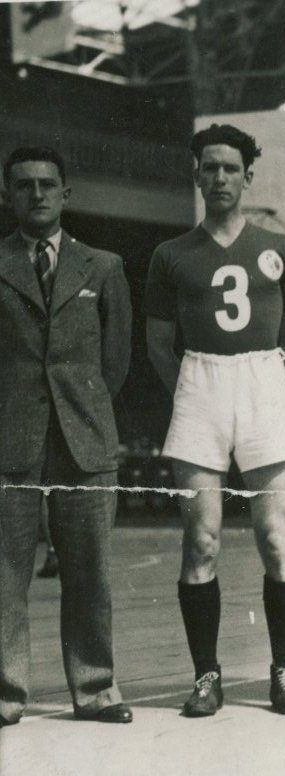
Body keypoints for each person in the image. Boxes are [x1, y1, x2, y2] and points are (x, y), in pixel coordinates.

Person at [146, 124, 285, 718]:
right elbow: (158, 343)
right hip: (200, 381)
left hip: (263, 379)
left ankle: (284, 672)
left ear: (248, 176)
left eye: (230, 168)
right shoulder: (171, 254)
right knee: (201, 539)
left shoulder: (280, 248)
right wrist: (192, 394)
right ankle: (206, 676)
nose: (219, 177)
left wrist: (276, 389)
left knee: (275, 535)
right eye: (209, 168)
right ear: (196, 175)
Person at [0, 146, 133, 725]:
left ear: (65, 194)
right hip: (9, 437)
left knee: (89, 572)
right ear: (7, 195)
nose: (36, 194)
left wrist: (84, 406)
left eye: (47, 184)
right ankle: (6, 693)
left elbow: (116, 361)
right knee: (4, 574)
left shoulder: (103, 266)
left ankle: (96, 688)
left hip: (85, 436)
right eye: (23, 185)